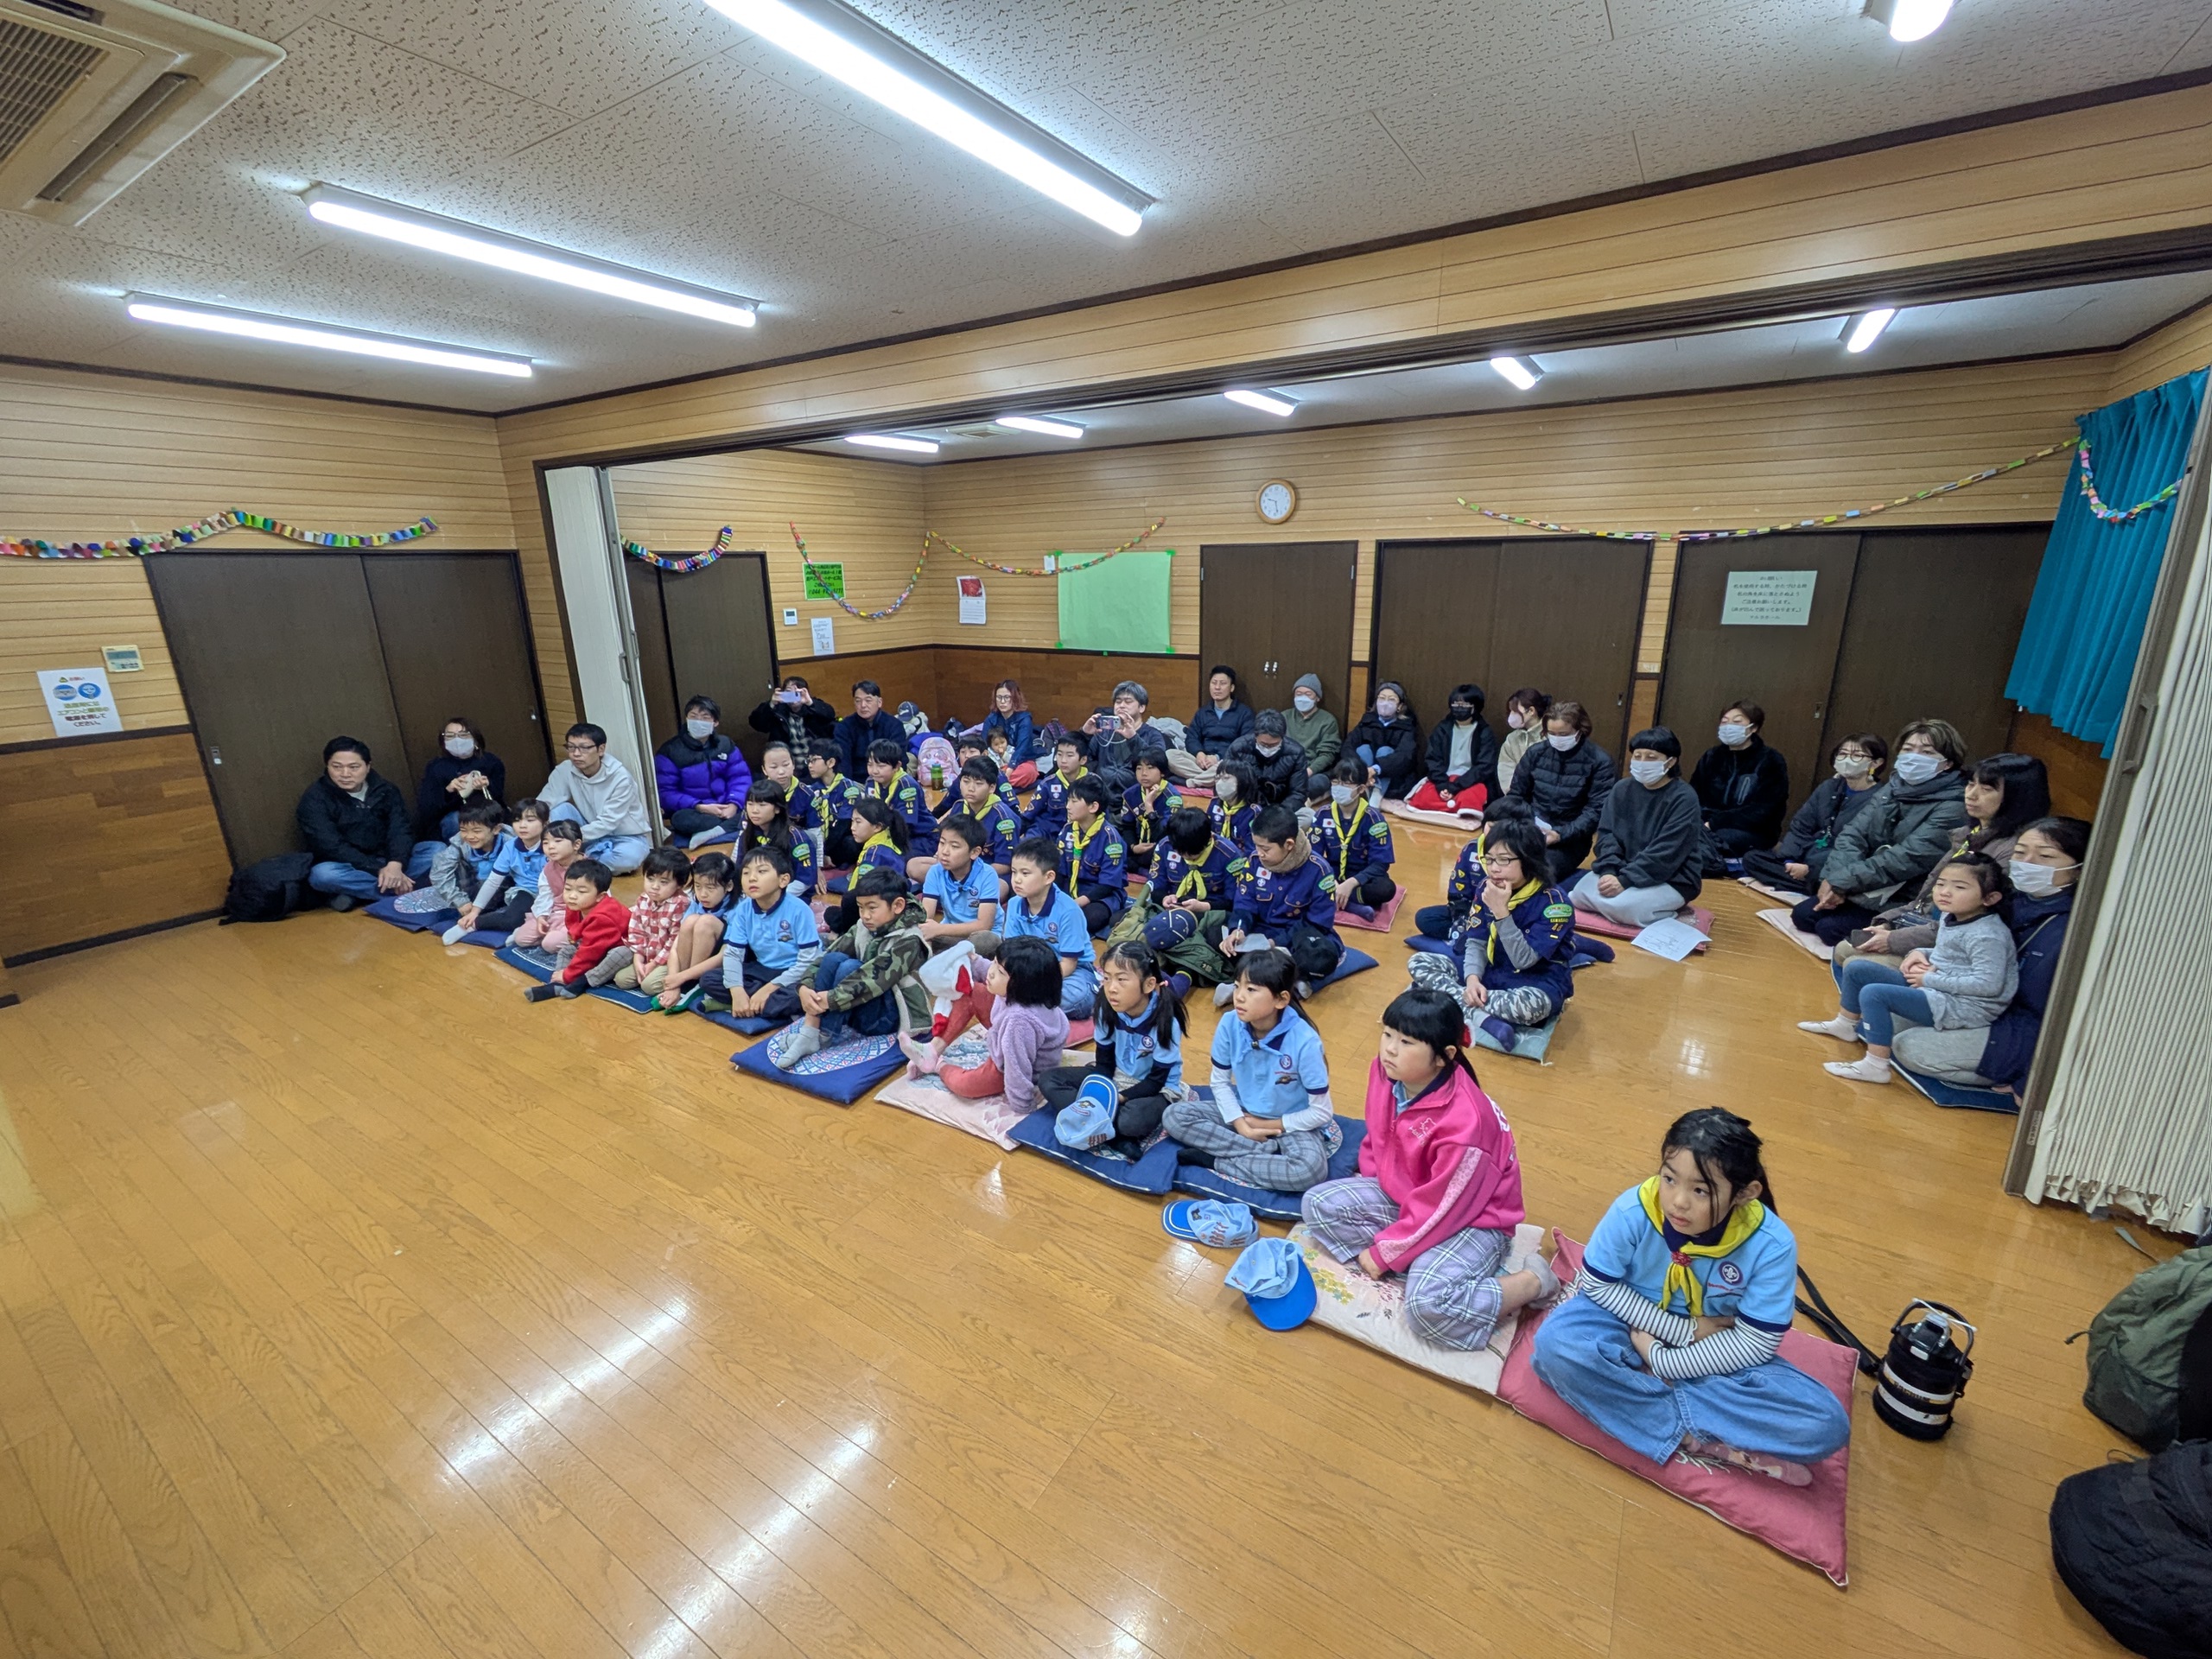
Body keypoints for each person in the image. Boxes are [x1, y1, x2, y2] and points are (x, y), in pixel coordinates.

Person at [1532, 1109, 1852, 1485]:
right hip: (1628, 1318)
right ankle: (1697, 1436)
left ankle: (1638, 1393)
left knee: (1825, 1425)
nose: (1678, 1201)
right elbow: (1598, 1285)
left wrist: (1666, 1362)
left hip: (1716, 1344)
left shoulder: (1772, 1244)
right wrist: (1682, 1332)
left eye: (1700, 1190)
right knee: (1555, 1345)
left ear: (1745, 1194)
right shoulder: (1635, 1209)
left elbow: (1756, 1342)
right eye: (1669, 1179)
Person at [1302, 988, 1556, 1351]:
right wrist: (1371, 1187)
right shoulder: (1385, 1073)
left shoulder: (1467, 1124)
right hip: (1414, 1197)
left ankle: (1533, 1282)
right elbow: (1378, 1136)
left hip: (1472, 1220)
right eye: (1387, 1034)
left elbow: (1445, 1209)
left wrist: (1384, 1254)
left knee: (1427, 1307)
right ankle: (1423, 1260)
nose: (1390, 1049)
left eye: (1406, 1042)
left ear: (1444, 1056)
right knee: (1317, 1204)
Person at [1894, 817, 2088, 1096]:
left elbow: (2062, 1017)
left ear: (2080, 869)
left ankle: (2014, 1074)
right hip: (1969, 1001)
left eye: (2045, 856)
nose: (2028, 863)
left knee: (1908, 1047)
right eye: (2020, 852)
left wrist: (2029, 1081)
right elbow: (1962, 945)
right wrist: (1923, 952)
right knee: (1890, 1017)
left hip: (2017, 1028)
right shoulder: (2008, 899)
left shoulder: (2075, 927)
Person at [1801, 851, 2017, 1085]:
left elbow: (1988, 985)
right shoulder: (1952, 916)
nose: (1945, 892)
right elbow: (1952, 953)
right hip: (1939, 987)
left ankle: (1876, 1066)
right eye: (1941, 884)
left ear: (1990, 898)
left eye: (1960, 887)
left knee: (1875, 994)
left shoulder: (1988, 935)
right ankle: (1845, 1025)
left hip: (1962, 1006)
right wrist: (1921, 952)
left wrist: (1928, 979)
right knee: (1858, 969)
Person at [1829, 751, 2051, 973]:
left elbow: (1966, 922)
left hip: (1956, 952)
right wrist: (1887, 921)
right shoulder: (1970, 833)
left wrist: (1894, 939)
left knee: (1858, 964)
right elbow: (1924, 899)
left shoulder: (2012, 851)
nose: (1971, 794)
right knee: (1844, 948)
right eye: (1971, 784)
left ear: (2017, 798)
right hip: (1925, 926)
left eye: (1986, 789)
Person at [1163, 950, 1338, 1193]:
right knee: (1174, 1116)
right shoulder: (1229, 1023)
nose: (1239, 997)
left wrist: (1270, 1123)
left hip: (1288, 1124)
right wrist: (1241, 1125)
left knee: (1309, 1171)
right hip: (1243, 1114)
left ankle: (1218, 1161)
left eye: (1251, 990)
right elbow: (1220, 1082)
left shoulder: (1305, 1042)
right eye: (1237, 986)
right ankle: (1263, 1152)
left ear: (1281, 999)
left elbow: (1321, 1112)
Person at [1789, 717, 1968, 947]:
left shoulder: (1954, 805)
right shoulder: (1893, 787)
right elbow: (1853, 835)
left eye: (1926, 752)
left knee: (1829, 929)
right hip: (1861, 883)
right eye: (1908, 749)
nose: (1914, 756)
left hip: (1900, 895)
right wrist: (1835, 882)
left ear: (1948, 763)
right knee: (1803, 916)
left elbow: (1906, 859)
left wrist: (1843, 882)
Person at [1408, 817, 1575, 1052]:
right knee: (1419, 962)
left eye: (1504, 860)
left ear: (1529, 859)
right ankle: (1481, 1017)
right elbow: (1476, 941)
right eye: (1489, 859)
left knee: (1531, 1007)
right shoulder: (1487, 887)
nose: (1494, 868)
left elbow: (1523, 960)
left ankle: (1457, 1003)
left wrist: (1501, 912)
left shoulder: (1555, 905)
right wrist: (1472, 980)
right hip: (1491, 968)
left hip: (1533, 977)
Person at [1039, 942, 1187, 1155]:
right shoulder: (1106, 1007)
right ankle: (1113, 1135)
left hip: (1154, 1086)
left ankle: (1096, 1124)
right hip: (1116, 1075)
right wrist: (1100, 1093)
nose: (1111, 988)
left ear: (1148, 984)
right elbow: (1105, 1064)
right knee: (1049, 1080)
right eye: (1107, 978)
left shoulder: (1166, 1020)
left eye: (1121, 979)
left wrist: (1119, 1098)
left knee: (1132, 1121)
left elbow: (1156, 1081)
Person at [776, 866, 931, 1060]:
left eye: (872, 908)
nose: (865, 915)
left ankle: (824, 1035)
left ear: (898, 906)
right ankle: (811, 1031)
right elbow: (829, 954)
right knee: (833, 959)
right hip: (859, 1003)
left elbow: (874, 978)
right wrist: (804, 986)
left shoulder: (910, 940)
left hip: (890, 1016)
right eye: (861, 907)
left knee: (850, 967)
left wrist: (831, 999)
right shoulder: (864, 925)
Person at [898, 935, 1069, 1107]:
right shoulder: (1025, 992)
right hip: (1009, 1036)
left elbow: (1017, 1067)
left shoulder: (1019, 1021)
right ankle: (933, 1050)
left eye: (1000, 972)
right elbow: (989, 970)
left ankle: (938, 1066)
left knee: (966, 1085)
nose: (992, 972)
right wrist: (972, 960)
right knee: (970, 990)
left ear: (1022, 984)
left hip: (1017, 1069)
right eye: (994, 962)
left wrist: (1022, 1103)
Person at [1570, 727, 1703, 929]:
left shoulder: (1684, 798)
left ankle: (1664, 910)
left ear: (1671, 761)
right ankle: (1629, 904)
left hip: (1671, 876)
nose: (1642, 762)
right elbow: (1607, 834)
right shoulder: (1622, 788)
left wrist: (1625, 881)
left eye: (1651, 757)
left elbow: (1668, 851)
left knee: (1626, 907)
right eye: (1638, 756)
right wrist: (1609, 871)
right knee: (1579, 894)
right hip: (1621, 868)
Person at [1218, 804, 1344, 999]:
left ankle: (1248, 981)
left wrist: (1274, 943)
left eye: (1265, 849)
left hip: (1296, 936)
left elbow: (1317, 923)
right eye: (1256, 846)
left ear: (1289, 845)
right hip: (1261, 931)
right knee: (1218, 938)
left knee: (1320, 958)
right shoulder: (1253, 861)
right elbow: (1244, 903)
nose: (1259, 853)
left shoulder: (1319, 870)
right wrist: (1239, 930)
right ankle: (1286, 981)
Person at [1740, 734, 1887, 896]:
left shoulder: (1880, 798)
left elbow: (1859, 847)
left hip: (1836, 866)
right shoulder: (1829, 787)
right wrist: (1789, 859)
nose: (1847, 760)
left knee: (1837, 878)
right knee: (1752, 858)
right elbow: (1801, 826)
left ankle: (1811, 885)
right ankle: (1805, 885)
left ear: (1876, 763)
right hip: (1805, 855)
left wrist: (1811, 869)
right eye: (1843, 754)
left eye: (1857, 755)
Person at [299, 736, 435, 909]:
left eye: (354, 767)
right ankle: (404, 889)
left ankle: (362, 894)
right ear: (327, 766)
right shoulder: (315, 798)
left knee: (436, 850)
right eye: (337, 767)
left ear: (368, 766)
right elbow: (331, 846)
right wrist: (378, 869)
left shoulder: (386, 790)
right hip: (352, 865)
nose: (345, 774)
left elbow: (400, 829)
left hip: (391, 859)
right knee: (322, 875)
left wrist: (395, 864)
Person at [712, 845, 823, 1025]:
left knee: (802, 994)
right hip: (763, 969)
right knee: (710, 979)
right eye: (746, 873)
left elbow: (808, 962)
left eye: (762, 871)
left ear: (783, 880)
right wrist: (737, 991)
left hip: (796, 971)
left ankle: (755, 1003)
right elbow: (733, 954)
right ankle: (753, 1003)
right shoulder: (743, 909)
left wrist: (769, 989)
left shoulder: (799, 910)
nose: (752, 878)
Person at [1509, 700, 1616, 885]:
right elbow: (1516, 795)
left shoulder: (1600, 761)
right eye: (1551, 734)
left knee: (1535, 872)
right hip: (1530, 829)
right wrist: (1527, 823)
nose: (1557, 738)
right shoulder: (1536, 753)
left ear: (1580, 730)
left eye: (1564, 734)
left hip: (1570, 840)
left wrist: (1560, 834)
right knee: (1497, 861)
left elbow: (1596, 811)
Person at [1410, 797, 1535, 943]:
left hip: (1511, 915)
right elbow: (1459, 889)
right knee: (1425, 918)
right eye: (1491, 827)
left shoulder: (1526, 854)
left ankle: (1480, 940)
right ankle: (1470, 937)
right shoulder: (1472, 849)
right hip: (1474, 912)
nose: (1495, 835)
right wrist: (1465, 918)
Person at [1141, 806, 1246, 979]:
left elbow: (1234, 901)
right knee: (1136, 923)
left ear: (1209, 839)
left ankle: (1178, 968)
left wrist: (1203, 907)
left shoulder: (1229, 855)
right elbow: (1155, 885)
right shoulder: (1165, 846)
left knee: (1216, 938)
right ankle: (1184, 966)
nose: (1187, 857)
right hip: (1172, 908)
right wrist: (1165, 898)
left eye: (1193, 854)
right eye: (1181, 853)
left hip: (1212, 912)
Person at [1001, 836, 1100, 1017]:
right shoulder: (1015, 904)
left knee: (1079, 997)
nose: (1017, 880)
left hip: (1070, 971)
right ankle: (1031, 1006)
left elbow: (1069, 963)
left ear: (1049, 877)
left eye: (1025, 873)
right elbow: (1012, 952)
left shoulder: (1068, 911)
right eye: (1014, 872)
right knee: (996, 979)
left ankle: (1024, 1005)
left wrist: (1034, 985)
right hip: (1030, 969)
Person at [1688, 701, 1790, 871]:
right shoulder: (1711, 756)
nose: (1728, 726)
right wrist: (1701, 821)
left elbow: (1765, 809)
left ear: (1753, 728)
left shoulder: (1771, 760)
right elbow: (1693, 794)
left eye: (1737, 722)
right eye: (1724, 721)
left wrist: (1715, 823)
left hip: (1753, 830)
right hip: (1707, 824)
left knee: (1716, 841)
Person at [540, 723, 652, 874]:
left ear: (601, 749)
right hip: (587, 832)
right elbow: (544, 803)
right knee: (557, 810)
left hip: (625, 837)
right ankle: (581, 859)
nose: (576, 754)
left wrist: (570, 838)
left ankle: (576, 861)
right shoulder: (565, 769)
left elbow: (608, 822)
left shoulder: (620, 777)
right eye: (571, 747)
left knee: (627, 859)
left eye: (584, 748)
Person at [588, 846, 692, 996]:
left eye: (664, 882)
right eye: (650, 879)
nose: (655, 887)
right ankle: (648, 973)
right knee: (621, 980)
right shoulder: (644, 899)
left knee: (648, 986)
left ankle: (679, 982)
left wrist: (654, 964)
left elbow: (674, 941)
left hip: (669, 960)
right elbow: (637, 931)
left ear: (679, 885)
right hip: (648, 956)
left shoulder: (680, 904)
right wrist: (638, 959)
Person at [523, 859, 629, 1002]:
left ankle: (583, 981)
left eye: (581, 891)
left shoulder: (603, 917)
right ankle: (557, 985)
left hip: (619, 948)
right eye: (568, 889)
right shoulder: (577, 905)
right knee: (566, 951)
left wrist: (569, 974)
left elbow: (589, 953)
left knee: (621, 953)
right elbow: (574, 927)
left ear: (600, 896)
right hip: (598, 947)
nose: (572, 896)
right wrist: (574, 937)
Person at [655, 695, 753, 846]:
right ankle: (728, 827)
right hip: (694, 810)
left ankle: (716, 831)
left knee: (756, 810)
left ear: (715, 722)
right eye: (693, 717)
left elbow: (740, 778)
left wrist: (733, 804)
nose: (698, 722)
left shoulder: (725, 745)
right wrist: (699, 806)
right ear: (686, 719)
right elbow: (666, 792)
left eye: (705, 717)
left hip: (726, 805)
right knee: (680, 820)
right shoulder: (670, 751)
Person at [451, 798, 550, 940]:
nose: (522, 826)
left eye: (530, 820)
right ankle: (473, 925)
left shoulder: (552, 845)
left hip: (556, 894)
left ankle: (526, 929)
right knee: (512, 919)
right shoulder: (511, 847)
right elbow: (493, 881)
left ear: (545, 823)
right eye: (517, 820)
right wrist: (474, 913)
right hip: (528, 892)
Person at [1311, 757, 1397, 918]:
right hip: (1331, 873)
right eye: (1335, 782)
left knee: (1386, 889)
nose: (1339, 788)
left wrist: (1351, 883)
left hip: (1361, 876)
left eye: (1346, 784)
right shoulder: (1322, 814)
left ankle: (1334, 898)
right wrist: (1331, 881)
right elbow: (1314, 855)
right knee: (1303, 877)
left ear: (1361, 788)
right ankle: (1351, 905)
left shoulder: (1374, 819)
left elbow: (1380, 863)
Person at [656, 850, 739, 1013]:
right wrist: (674, 982)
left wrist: (681, 977)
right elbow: (675, 946)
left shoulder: (739, 909)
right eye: (698, 886)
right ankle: (686, 986)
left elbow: (726, 955)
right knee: (691, 920)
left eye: (710, 887)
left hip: (722, 965)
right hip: (687, 972)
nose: (703, 894)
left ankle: (693, 985)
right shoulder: (696, 903)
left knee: (705, 922)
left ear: (729, 886)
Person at [413, 716, 505, 841]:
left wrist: (486, 786)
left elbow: (498, 797)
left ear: (476, 740)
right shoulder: (435, 767)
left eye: (463, 735)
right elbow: (427, 808)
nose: (457, 740)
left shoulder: (491, 762)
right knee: (455, 820)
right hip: (451, 821)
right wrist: (448, 791)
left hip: (485, 813)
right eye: (450, 736)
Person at [918, 815, 1001, 950]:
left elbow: (984, 925)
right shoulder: (935, 872)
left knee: (986, 941)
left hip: (979, 936)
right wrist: (927, 933)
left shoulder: (988, 874)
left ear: (974, 852)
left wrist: (938, 929)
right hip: (948, 933)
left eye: (954, 846)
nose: (944, 851)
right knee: (913, 934)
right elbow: (926, 916)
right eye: (942, 843)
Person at [830, 795, 909, 935]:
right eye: (852, 821)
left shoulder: (874, 853)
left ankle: (846, 935)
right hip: (890, 903)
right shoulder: (887, 839)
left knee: (842, 905)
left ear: (877, 827)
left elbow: (862, 892)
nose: (852, 827)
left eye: (858, 822)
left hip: (878, 909)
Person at [1061, 776, 1129, 935]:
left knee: (1090, 918)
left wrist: (1076, 903)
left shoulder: (1111, 839)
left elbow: (1107, 885)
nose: (1068, 806)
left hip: (1101, 894)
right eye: (1068, 800)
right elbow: (1060, 870)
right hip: (1072, 887)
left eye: (1074, 801)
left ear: (1093, 807)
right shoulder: (1068, 830)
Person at [1418, 683, 1499, 814]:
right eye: (1455, 704)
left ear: (1475, 707)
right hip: (1443, 778)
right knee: (1424, 798)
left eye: (1465, 704)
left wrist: (1456, 786)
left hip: (1470, 780)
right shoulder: (1442, 729)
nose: (1459, 708)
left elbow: (1485, 766)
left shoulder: (1484, 732)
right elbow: (1432, 759)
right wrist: (1443, 785)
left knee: (1469, 799)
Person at [734, 779, 819, 899]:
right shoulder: (747, 835)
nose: (754, 810)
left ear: (778, 809)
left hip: (789, 896)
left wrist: (772, 896)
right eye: (750, 804)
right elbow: (740, 870)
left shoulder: (796, 838)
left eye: (762, 805)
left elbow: (804, 881)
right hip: (756, 894)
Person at [1083, 680, 1171, 795]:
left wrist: (1133, 738)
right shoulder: (1103, 733)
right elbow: (1082, 758)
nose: (1121, 706)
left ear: (1142, 707)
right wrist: (1085, 735)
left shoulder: (1153, 735)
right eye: (1118, 702)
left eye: (1128, 702)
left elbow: (1158, 763)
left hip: (1137, 795)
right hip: (1102, 794)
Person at [1171, 664, 1254, 786]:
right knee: (1171, 755)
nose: (1217, 687)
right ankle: (1210, 780)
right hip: (1202, 761)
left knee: (1232, 767)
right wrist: (1199, 754)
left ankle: (1193, 781)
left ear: (1232, 688)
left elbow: (1245, 744)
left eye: (1222, 683)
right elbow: (1192, 737)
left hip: (1226, 760)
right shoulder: (1203, 712)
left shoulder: (1244, 713)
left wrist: (1218, 757)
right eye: (1214, 683)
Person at [510, 818, 583, 950]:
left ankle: (579, 939)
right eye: (545, 842)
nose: (551, 847)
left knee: (549, 945)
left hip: (579, 916)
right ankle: (555, 934)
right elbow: (545, 895)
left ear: (576, 845)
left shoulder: (589, 869)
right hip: (555, 912)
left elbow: (601, 900)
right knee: (521, 939)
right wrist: (541, 916)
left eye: (558, 841)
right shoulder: (548, 869)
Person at [1348, 682, 1421, 801]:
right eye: (1381, 698)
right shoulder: (1367, 722)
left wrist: (1375, 769)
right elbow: (1348, 747)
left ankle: (1376, 795)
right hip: (1363, 774)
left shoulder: (1407, 726)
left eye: (1391, 699)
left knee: (1385, 751)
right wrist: (1363, 770)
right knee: (1363, 749)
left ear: (1400, 706)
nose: (1385, 703)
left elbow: (1405, 756)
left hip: (1393, 781)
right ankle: (1363, 791)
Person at [748, 675, 837, 770]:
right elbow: (756, 723)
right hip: (787, 765)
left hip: (815, 764)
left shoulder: (814, 706)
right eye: (789, 693)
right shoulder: (777, 711)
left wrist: (810, 703)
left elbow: (830, 715)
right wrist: (771, 704)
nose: (794, 696)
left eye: (798, 693)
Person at [951, 758, 1023, 874]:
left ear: (992, 788)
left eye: (979, 784)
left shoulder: (1003, 818)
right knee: (919, 866)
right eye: (966, 781)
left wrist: (969, 874)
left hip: (991, 873)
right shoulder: (958, 807)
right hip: (959, 866)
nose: (970, 788)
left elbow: (1005, 865)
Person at [1227, 709, 1306, 807]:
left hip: (1280, 806)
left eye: (1273, 745)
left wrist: (1279, 812)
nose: (1268, 748)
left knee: (1306, 814)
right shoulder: (1238, 749)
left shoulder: (1296, 753)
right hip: (1245, 805)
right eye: (1263, 744)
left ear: (1282, 737)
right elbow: (1226, 783)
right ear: (1255, 736)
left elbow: (1298, 793)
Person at [1121, 752, 1180, 877]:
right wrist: (1133, 847)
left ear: (1162, 772)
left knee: (1165, 850)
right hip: (1139, 844)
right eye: (1139, 768)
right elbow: (1127, 827)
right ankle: (1139, 868)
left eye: (1150, 768)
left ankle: (1137, 867)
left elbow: (1164, 834)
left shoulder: (1172, 797)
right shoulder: (1130, 794)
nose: (1144, 773)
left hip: (1161, 843)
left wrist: (1149, 807)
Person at [833, 680, 908, 779]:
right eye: (858, 701)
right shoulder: (844, 727)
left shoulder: (894, 725)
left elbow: (900, 758)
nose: (863, 705)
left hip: (888, 778)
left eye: (868, 700)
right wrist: (848, 785)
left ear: (879, 702)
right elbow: (843, 761)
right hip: (857, 780)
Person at [1281, 673, 1341, 795]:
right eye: (1299, 694)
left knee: (1316, 783)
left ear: (1317, 698)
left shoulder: (1327, 720)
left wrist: (1308, 771)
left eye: (1308, 694)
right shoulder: (1284, 716)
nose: (1302, 698)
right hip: (1285, 767)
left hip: (1312, 771)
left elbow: (1327, 754)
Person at [975, 680, 1042, 788]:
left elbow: (1022, 747)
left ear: (1015, 698)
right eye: (999, 697)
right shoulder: (991, 718)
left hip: (1020, 763)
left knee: (1029, 772)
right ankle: (997, 783)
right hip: (995, 762)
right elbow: (984, 744)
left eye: (1007, 697)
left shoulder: (1024, 719)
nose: (1002, 701)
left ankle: (992, 784)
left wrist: (1010, 768)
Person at [809, 747, 865, 867]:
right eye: (808, 761)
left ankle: (835, 861)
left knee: (851, 843)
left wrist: (825, 852)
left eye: (814, 760)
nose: (810, 765)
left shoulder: (849, 788)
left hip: (839, 839)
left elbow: (843, 825)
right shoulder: (812, 790)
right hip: (819, 840)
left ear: (831, 762)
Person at [1024, 735, 1089, 838]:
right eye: (1059, 754)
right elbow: (1029, 815)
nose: (1063, 760)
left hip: (1081, 833)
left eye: (1069, 755)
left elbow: (1102, 816)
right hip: (1049, 831)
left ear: (1083, 760)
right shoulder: (1047, 783)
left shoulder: (1093, 784)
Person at [1496, 688, 1551, 799]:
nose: (1511, 716)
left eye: (1515, 711)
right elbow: (1505, 771)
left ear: (1531, 711)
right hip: (1518, 799)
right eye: (1510, 711)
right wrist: (1515, 796)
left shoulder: (1551, 735)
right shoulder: (1512, 739)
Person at [1208, 756, 1260, 855]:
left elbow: (1252, 850)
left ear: (1242, 781)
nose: (1220, 783)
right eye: (1218, 778)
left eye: (1226, 778)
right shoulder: (1214, 804)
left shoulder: (1253, 813)